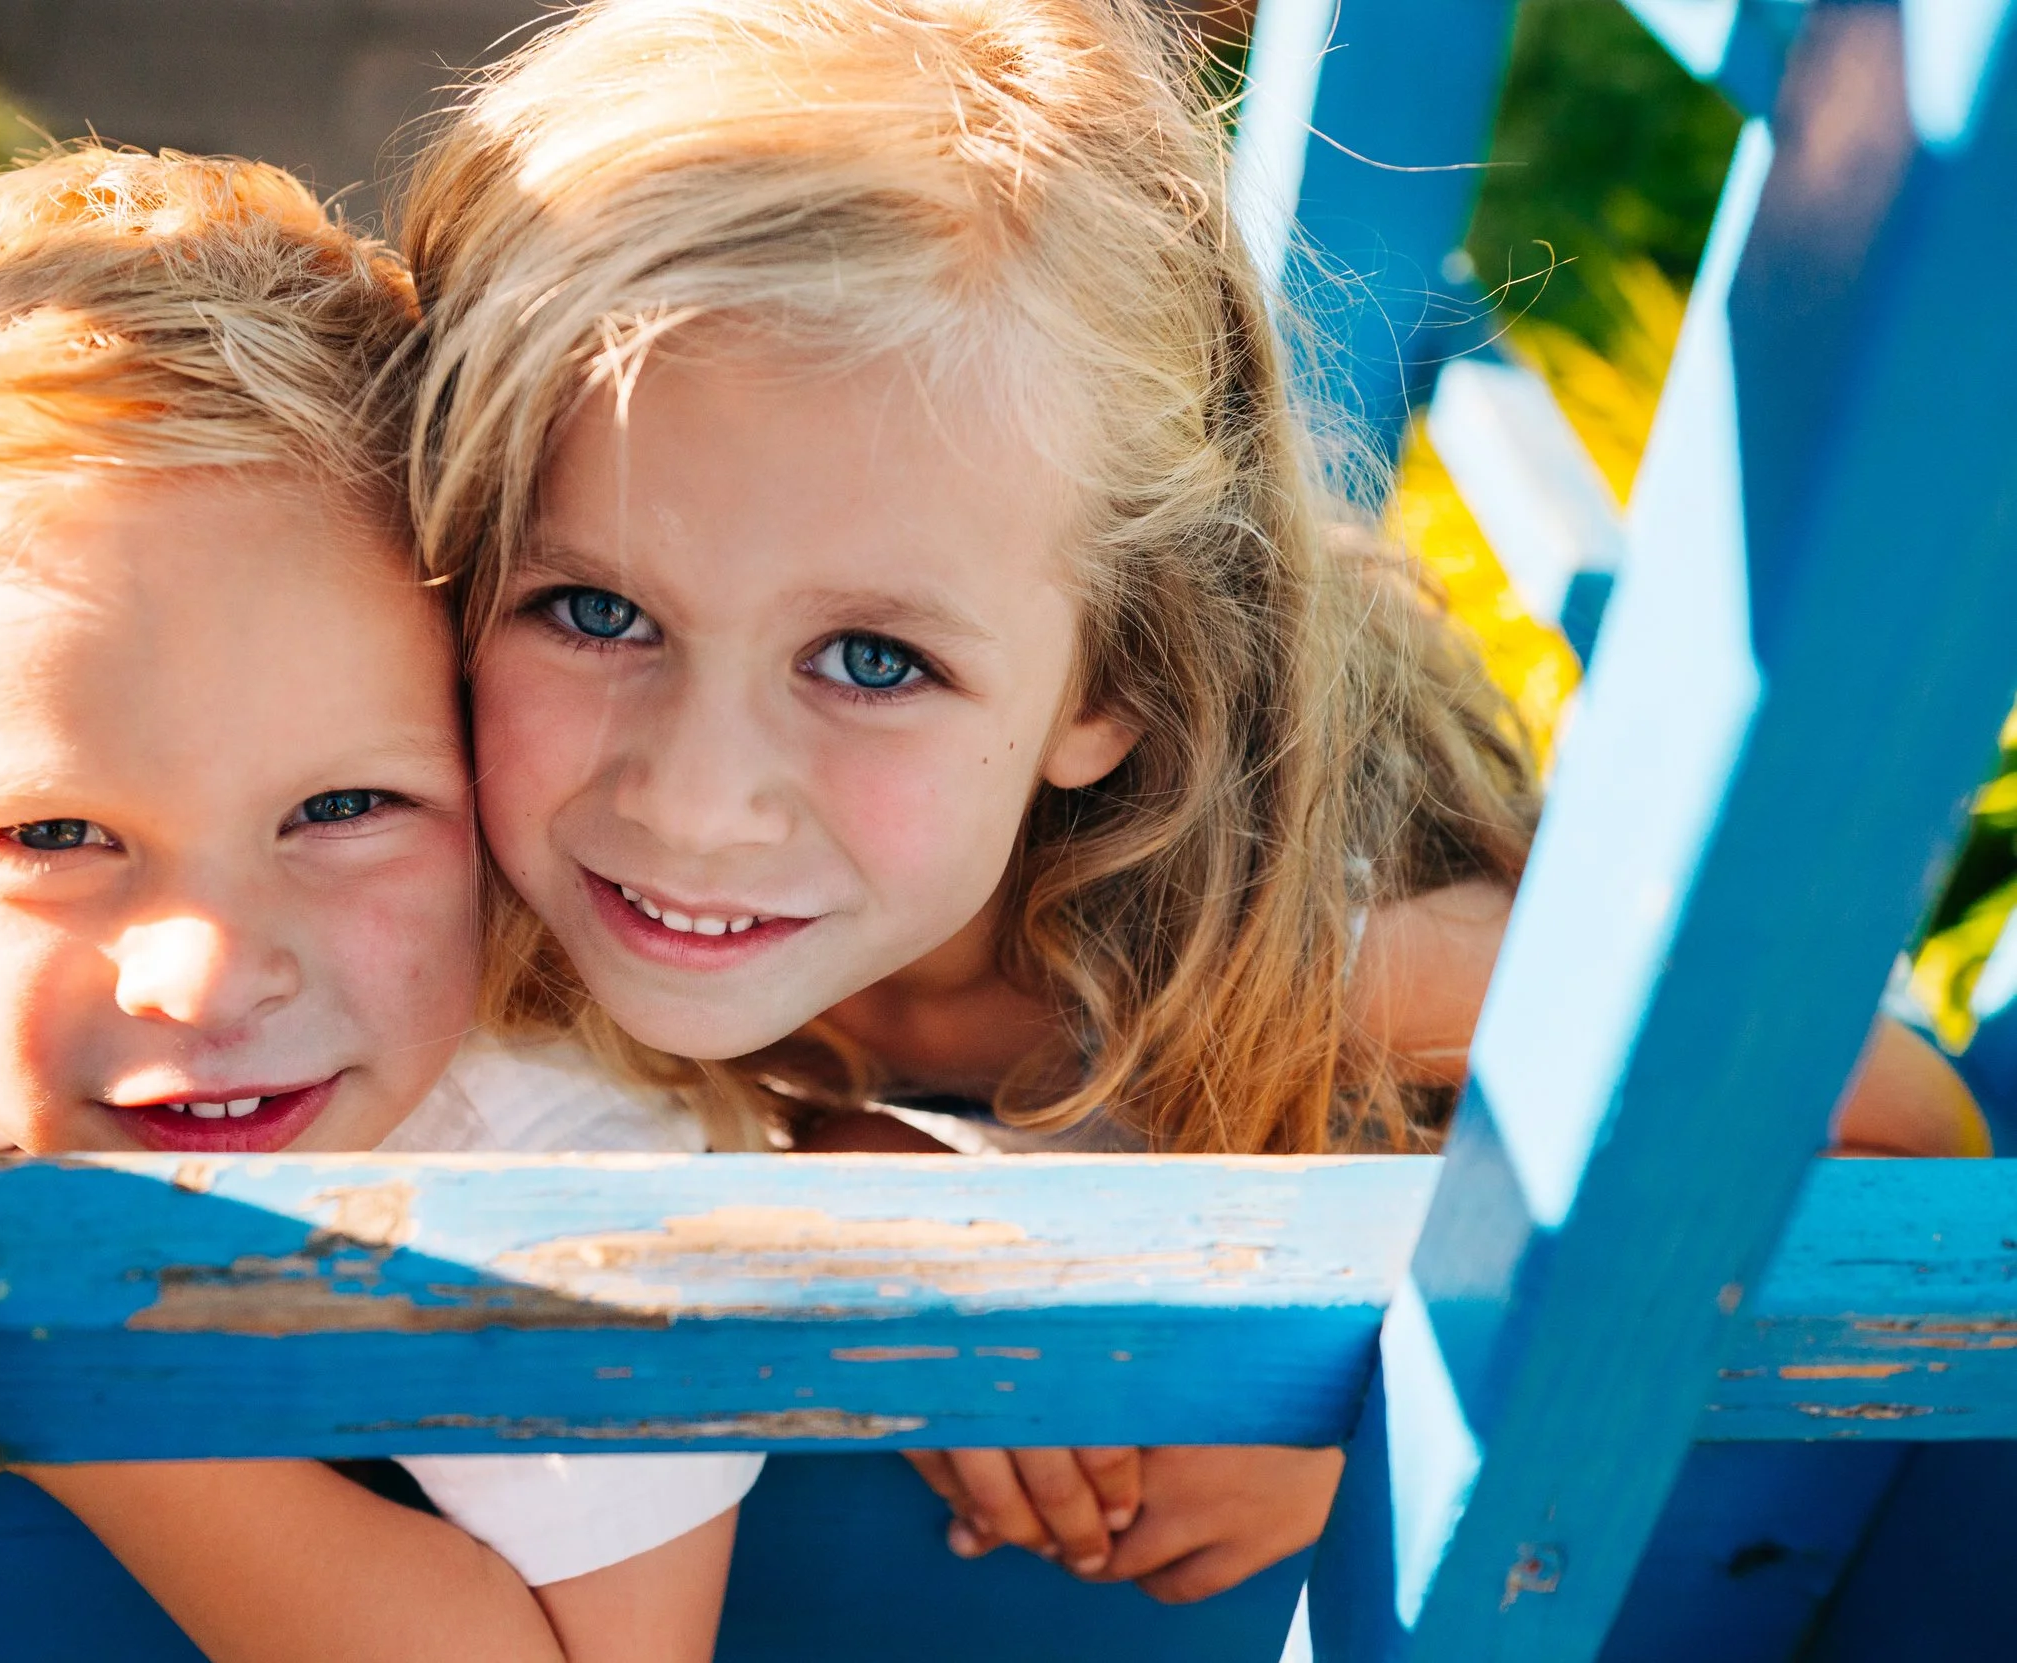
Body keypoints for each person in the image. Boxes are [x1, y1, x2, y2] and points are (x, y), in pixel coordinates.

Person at [395, 0, 1991, 1604]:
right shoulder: (400, 837)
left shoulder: (1326, 956)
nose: (691, 801)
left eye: (872, 658)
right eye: (596, 612)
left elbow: (1908, 1129)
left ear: (1112, 687)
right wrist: (842, 1154)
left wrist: (1381, 1385)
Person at [0, 141, 755, 1662]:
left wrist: (41, 1347)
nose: (208, 975)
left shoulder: (563, 1168)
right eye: (53, 833)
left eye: (343, 809)